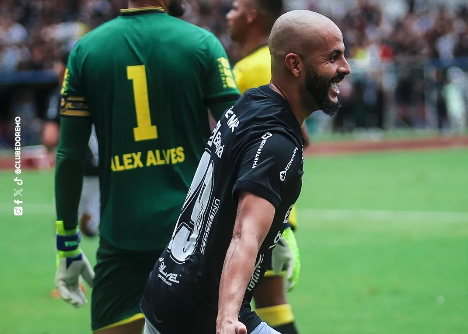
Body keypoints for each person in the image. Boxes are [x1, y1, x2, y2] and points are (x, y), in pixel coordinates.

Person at [141, 9, 351, 334]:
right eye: (333, 57)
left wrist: (278, 234)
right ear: (294, 64)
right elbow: (244, 233)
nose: (345, 68)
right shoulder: (278, 144)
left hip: (166, 287)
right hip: (203, 313)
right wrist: (227, 317)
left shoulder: (251, 101)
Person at [53, 0, 240, 333]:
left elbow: (69, 155)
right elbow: (244, 137)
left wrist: (67, 242)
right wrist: (272, 225)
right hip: (194, 237)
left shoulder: (86, 51)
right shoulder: (201, 43)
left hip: (121, 240)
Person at [226, 1, 303, 333]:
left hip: (258, 207)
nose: (228, 14)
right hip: (273, 205)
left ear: (252, 15)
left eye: (234, 7)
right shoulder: (257, 64)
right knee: (265, 304)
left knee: (244, 305)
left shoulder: (252, 69)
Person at [43, 53, 101, 238]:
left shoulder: (62, 92)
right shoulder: (98, 89)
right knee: (96, 224)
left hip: (76, 163)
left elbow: (50, 138)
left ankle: (70, 259)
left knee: (66, 226)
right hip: (105, 164)